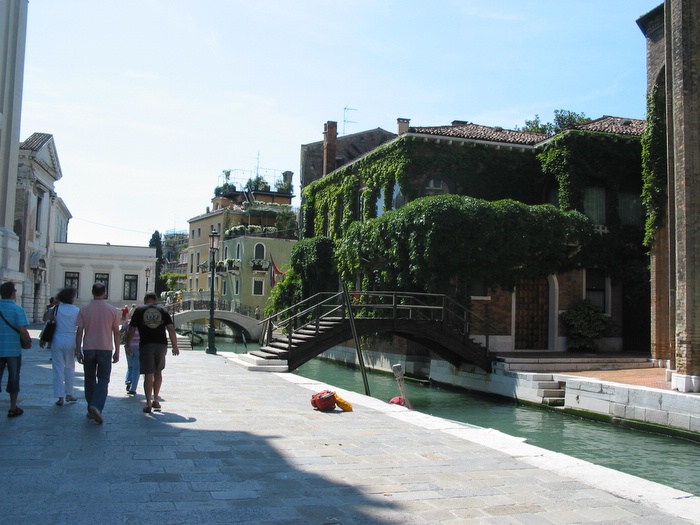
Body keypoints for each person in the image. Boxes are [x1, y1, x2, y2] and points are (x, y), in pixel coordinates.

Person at [74, 283, 120, 424]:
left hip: (89, 347)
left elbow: (79, 331)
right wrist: (117, 350)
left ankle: (91, 408)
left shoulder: (84, 310)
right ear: (104, 293)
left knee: (89, 379)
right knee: (103, 379)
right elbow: (116, 332)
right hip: (105, 348)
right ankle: (97, 406)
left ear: (92, 292)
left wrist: (78, 349)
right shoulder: (111, 310)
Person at [126, 292, 179, 413]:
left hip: (146, 345)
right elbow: (171, 329)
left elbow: (132, 329)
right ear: (155, 300)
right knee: (158, 372)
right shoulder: (163, 311)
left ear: (145, 300)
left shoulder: (139, 310)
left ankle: (148, 403)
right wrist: (175, 346)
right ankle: (156, 400)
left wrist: (128, 344)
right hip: (161, 344)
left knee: (148, 374)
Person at [0, 282, 31, 417]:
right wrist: (28, 343)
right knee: (13, 377)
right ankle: (13, 407)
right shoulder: (18, 309)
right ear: (13, 293)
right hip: (13, 350)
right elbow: (22, 330)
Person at [50, 287, 80, 406]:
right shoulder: (77, 310)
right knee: (70, 367)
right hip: (70, 338)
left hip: (57, 337)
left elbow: (46, 318)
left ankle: (59, 397)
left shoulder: (56, 308)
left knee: (57, 368)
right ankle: (69, 393)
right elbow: (79, 327)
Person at [121, 310, 140, 395]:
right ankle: (133, 388)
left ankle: (128, 380)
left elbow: (121, 331)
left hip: (128, 346)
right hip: (139, 346)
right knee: (137, 368)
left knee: (130, 366)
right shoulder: (142, 324)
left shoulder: (127, 323)